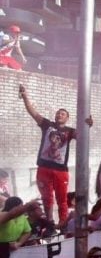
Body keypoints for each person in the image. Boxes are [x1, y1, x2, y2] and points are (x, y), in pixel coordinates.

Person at [20, 84, 93, 224]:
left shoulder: (70, 131)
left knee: (62, 198)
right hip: (44, 168)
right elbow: (33, 113)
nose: (59, 115)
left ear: (67, 118)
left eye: (63, 114)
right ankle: (49, 222)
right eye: (58, 113)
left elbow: (83, 136)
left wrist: (88, 125)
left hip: (60, 170)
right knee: (47, 198)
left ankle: (63, 222)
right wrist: (25, 97)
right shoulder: (47, 125)